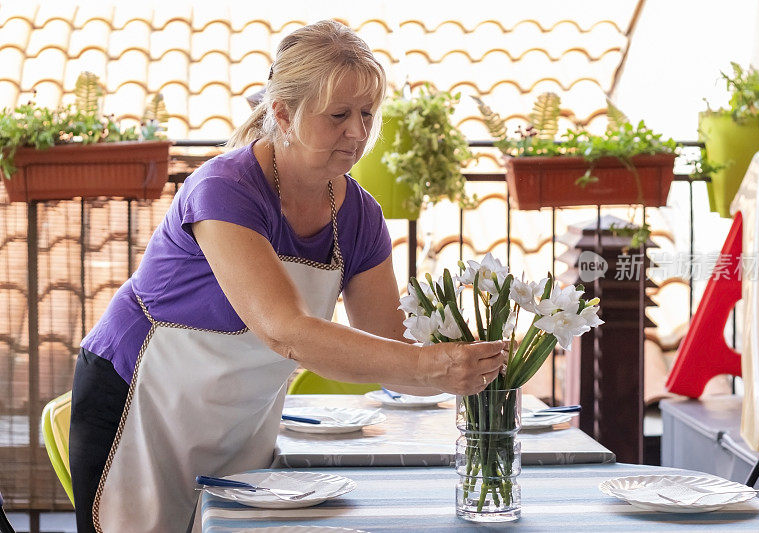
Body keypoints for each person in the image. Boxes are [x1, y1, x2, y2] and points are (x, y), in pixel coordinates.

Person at [69, 20, 505, 533]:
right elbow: (284, 330)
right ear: (282, 113)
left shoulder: (360, 215)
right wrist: (432, 365)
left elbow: (392, 351)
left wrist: (475, 358)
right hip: (140, 403)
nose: (359, 131)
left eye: (368, 113)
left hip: (240, 422)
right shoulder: (224, 189)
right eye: (339, 115)